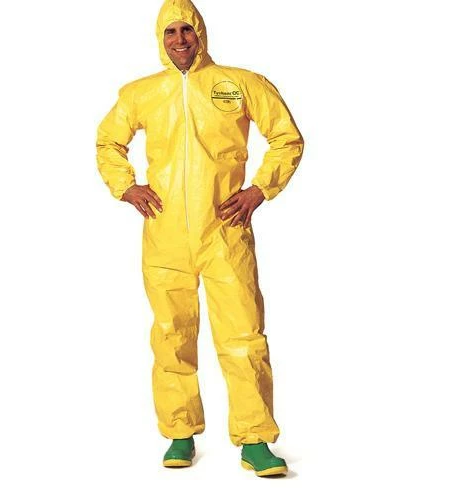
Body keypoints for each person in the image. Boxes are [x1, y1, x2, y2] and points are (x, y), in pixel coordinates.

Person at [96, 0, 304, 478]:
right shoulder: (141, 93)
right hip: (164, 234)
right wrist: (126, 186)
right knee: (171, 335)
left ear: (201, 34)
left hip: (225, 232)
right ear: (160, 38)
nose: (180, 40)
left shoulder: (240, 83)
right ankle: (180, 431)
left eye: (186, 30)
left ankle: (255, 440)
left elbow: (286, 137)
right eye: (170, 32)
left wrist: (260, 189)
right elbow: (108, 141)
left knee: (243, 336)